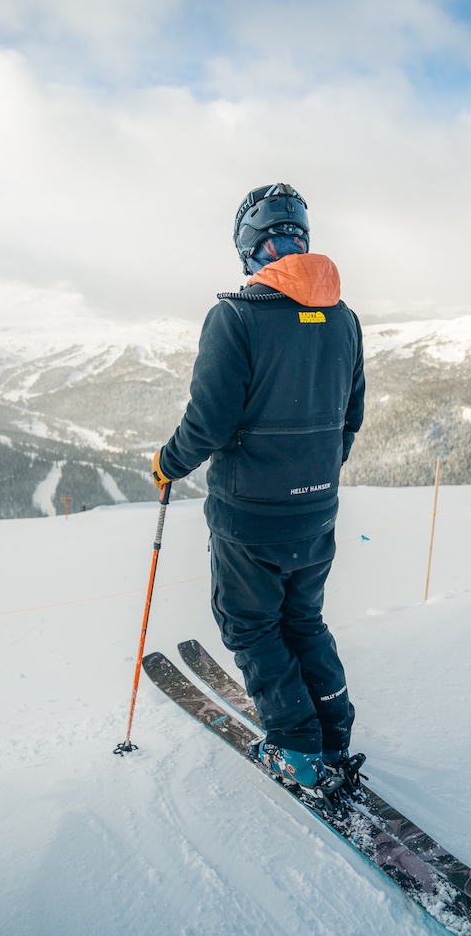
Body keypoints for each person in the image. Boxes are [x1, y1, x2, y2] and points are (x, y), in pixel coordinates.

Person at [152, 183, 365, 789]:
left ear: (249, 247)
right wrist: (314, 474)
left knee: (251, 626)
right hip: (317, 510)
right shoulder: (343, 318)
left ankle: (297, 749)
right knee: (303, 621)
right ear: (300, 240)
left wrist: (168, 463)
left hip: (250, 516)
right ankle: (332, 730)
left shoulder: (236, 317)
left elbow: (209, 423)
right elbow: (350, 419)